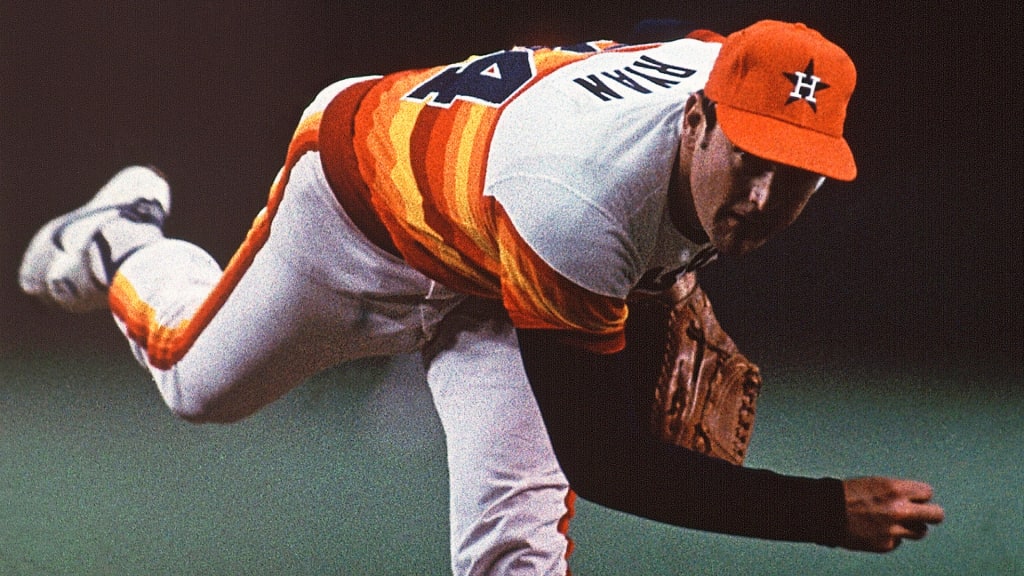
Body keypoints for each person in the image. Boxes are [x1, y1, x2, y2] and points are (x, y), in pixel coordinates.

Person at [19, 20, 944, 575]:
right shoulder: (582, 201)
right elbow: (607, 465)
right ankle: (122, 241)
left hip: (502, 264)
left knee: (516, 555)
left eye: (798, 175)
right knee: (195, 383)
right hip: (360, 209)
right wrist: (825, 513)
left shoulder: (721, 72)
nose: (764, 199)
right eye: (750, 162)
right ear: (697, 117)